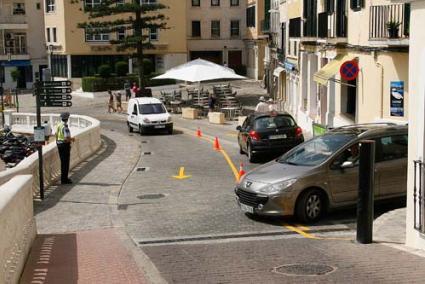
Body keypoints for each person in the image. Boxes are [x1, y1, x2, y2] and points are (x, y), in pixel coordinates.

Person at [55, 112, 74, 185]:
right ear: (67, 118)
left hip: (59, 144)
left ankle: (64, 178)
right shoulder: (65, 126)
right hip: (64, 145)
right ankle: (64, 179)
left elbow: (56, 134)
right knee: (65, 163)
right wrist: (72, 139)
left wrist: (57, 142)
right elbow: (66, 138)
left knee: (63, 162)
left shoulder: (58, 125)